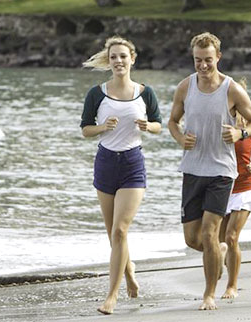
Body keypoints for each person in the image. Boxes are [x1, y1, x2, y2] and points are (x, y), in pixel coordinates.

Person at [168, 32, 251, 310]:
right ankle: (219, 252)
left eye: (208, 60)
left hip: (222, 172)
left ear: (218, 57)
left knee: (211, 233)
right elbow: (173, 121)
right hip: (192, 170)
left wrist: (240, 131)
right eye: (198, 60)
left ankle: (209, 294)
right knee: (193, 239)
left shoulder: (232, 89)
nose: (203, 65)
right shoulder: (185, 87)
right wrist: (178, 137)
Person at [80, 36, 162, 315]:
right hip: (105, 163)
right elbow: (85, 129)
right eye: (113, 57)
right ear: (109, 60)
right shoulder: (97, 93)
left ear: (132, 59)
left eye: (123, 57)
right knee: (113, 234)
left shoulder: (145, 92)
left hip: (132, 164)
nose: (118, 61)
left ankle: (111, 297)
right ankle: (128, 273)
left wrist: (147, 126)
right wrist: (102, 127)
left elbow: (159, 125)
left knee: (120, 230)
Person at [218, 79, 251, 300]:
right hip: (220, 188)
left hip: (244, 188)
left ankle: (232, 286)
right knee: (217, 242)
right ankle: (218, 265)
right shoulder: (219, 122)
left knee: (231, 238)